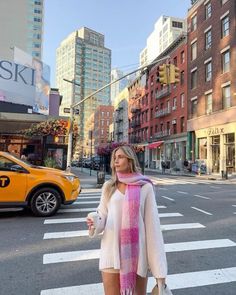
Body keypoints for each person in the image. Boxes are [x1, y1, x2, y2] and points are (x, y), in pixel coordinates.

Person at [87, 145, 167, 295]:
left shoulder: (145, 187)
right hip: (111, 252)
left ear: (130, 160)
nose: (116, 161)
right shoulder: (108, 187)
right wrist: (94, 220)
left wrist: (159, 270)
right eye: (114, 158)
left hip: (137, 256)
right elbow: (102, 214)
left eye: (120, 157)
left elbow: (153, 228)